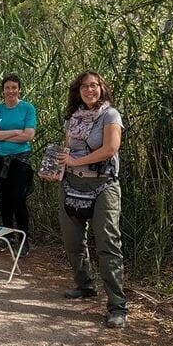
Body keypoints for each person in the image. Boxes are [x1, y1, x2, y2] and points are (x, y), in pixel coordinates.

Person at [55, 71, 127, 329]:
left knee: (108, 245)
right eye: (84, 86)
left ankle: (117, 306)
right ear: (78, 91)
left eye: (94, 85)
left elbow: (110, 149)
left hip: (102, 185)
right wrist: (54, 168)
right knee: (73, 241)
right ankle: (85, 285)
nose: (89, 90)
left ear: (101, 88)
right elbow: (67, 151)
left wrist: (76, 161)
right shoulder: (72, 118)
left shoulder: (110, 115)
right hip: (71, 183)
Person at [0, 74, 36, 255]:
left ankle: (23, 241)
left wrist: (2, 134)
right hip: (0, 160)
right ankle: (6, 237)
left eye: (14, 87)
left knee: (18, 199)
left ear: (19, 89)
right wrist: (16, 131)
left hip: (20, 161)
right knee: (4, 200)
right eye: (7, 88)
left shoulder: (27, 108)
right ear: (3, 90)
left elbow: (29, 135)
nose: (10, 91)